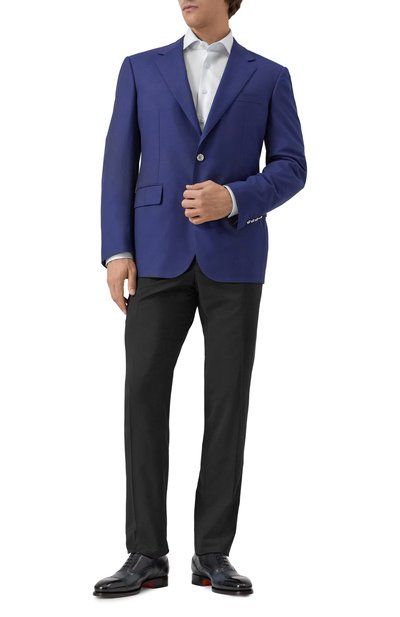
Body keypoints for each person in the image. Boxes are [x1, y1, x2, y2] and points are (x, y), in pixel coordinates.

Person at [93, 0, 306, 598]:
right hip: (155, 254)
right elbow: (118, 161)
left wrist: (233, 198)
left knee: (227, 401)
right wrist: (117, 250)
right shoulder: (140, 68)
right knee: (142, 396)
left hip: (234, 258)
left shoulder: (269, 76)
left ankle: (213, 551)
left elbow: (292, 166)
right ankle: (145, 553)